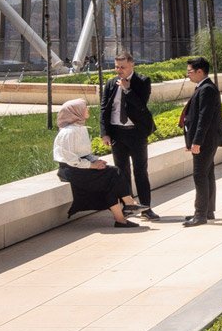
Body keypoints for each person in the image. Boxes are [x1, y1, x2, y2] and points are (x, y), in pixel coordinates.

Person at [52, 99, 139, 227]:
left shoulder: (79, 128)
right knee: (113, 172)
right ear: (76, 112)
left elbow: (84, 153)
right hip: (71, 170)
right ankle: (129, 203)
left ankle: (121, 219)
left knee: (111, 179)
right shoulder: (69, 132)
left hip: (80, 165)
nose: (88, 110)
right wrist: (91, 165)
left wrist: (95, 161)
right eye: (84, 108)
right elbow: (70, 159)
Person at [100, 52, 158, 218]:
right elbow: (104, 109)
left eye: (122, 67)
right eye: (116, 66)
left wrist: (127, 90)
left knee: (140, 171)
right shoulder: (111, 83)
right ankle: (128, 206)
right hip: (117, 133)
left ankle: (146, 208)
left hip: (136, 133)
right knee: (122, 172)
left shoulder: (142, 81)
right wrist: (105, 133)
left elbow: (141, 106)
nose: (119, 70)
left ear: (132, 65)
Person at [180, 56, 222, 226]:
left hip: (205, 140)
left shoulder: (206, 89)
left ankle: (200, 214)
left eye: (190, 72)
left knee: (200, 175)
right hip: (206, 139)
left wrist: (196, 142)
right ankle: (207, 211)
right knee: (207, 174)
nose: (188, 75)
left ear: (200, 71)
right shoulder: (203, 87)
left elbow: (204, 118)